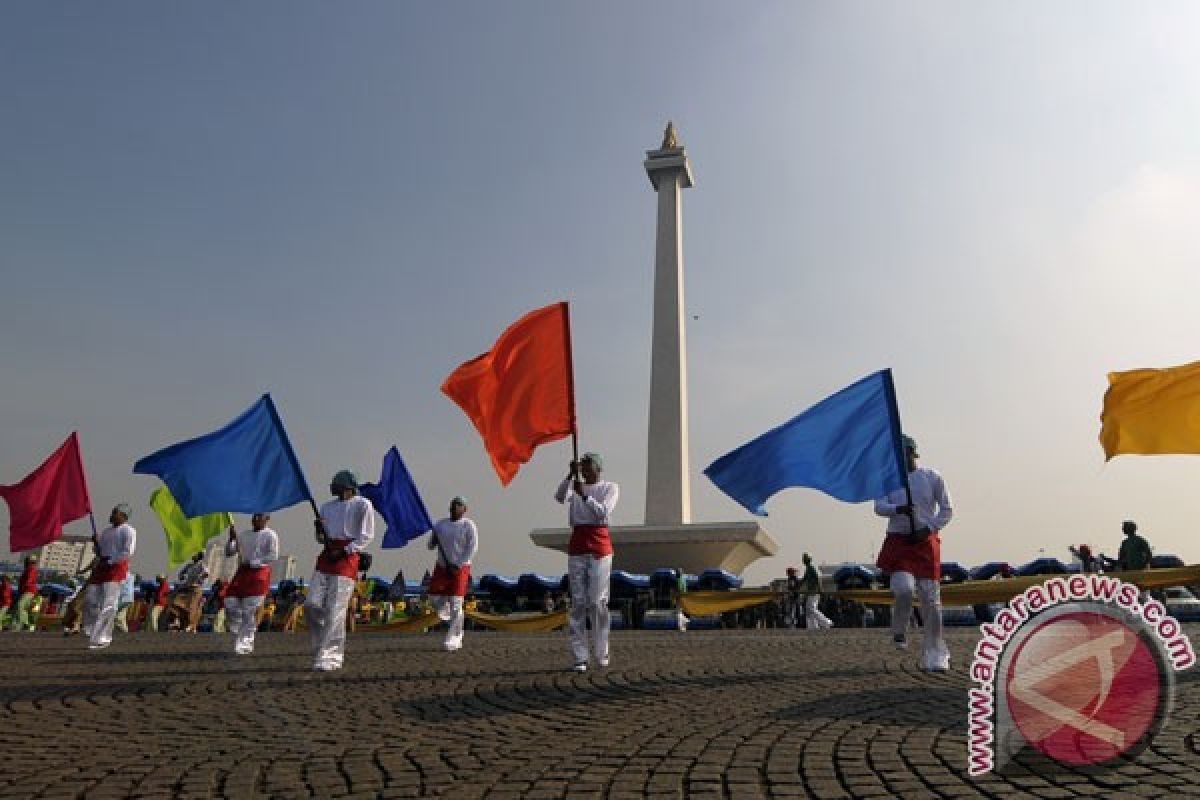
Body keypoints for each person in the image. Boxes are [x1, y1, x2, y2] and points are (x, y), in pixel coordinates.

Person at [874, 435, 953, 672]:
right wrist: (898, 509)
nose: (902, 458)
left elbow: (947, 510)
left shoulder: (932, 477)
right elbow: (878, 507)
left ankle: (936, 654)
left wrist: (928, 528)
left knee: (931, 600)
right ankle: (899, 628)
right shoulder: (888, 480)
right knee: (904, 590)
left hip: (925, 542)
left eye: (905, 453)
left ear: (913, 453)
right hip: (899, 542)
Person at [555, 452, 619, 672]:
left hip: (599, 545)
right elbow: (558, 497)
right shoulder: (575, 486)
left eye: (587, 465)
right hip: (578, 545)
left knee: (597, 601)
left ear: (598, 468)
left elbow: (603, 513)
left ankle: (602, 652)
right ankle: (579, 656)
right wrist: (569, 475)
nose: (584, 469)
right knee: (579, 602)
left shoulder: (610, 488)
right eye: (581, 466)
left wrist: (585, 496)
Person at [305, 470, 375, 671]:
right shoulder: (326, 507)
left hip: (346, 559)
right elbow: (321, 538)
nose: (330, 487)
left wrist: (345, 551)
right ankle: (320, 645)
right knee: (311, 604)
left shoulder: (363, 505)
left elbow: (366, 536)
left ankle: (331, 656)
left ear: (347, 486)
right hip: (327, 556)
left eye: (334, 484)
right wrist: (318, 529)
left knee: (335, 609)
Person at [82, 504, 137, 649]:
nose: (111, 515)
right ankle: (91, 629)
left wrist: (112, 561)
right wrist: (96, 542)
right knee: (90, 599)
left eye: (115, 513)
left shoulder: (129, 530)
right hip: (102, 567)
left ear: (123, 516)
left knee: (109, 603)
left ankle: (103, 637)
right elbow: (99, 551)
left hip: (115, 569)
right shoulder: (106, 532)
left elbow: (128, 552)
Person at [427, 496, 479, 652]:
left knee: (456, 603)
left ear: (465, 509)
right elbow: (430, 545)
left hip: (460, 568)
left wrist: (459, 564)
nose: (455, 507)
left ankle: (454, 639)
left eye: (458, 505)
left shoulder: (468, 525)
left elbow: (472, 548)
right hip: (442, 568)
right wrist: (434, 539)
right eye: (453, 505)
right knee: (434, 598)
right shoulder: (440, 525)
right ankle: (455, 620)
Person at [223, 514, 279, 655]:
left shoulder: (271, 535)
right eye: (254, 517)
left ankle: (245, 644)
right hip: (242, 573)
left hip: (259, 573)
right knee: (230, 603)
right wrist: (231, 539)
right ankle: (237, 633)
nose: (255, 519)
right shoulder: (243, 535)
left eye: (259, 517)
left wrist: (254, 562)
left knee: (250, 610)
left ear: (267, 518)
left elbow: (273, 555)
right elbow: (229, 553)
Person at [169, 552, 210, 633]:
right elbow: (181, 574)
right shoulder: (189, 565)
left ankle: (191, 625)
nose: (193, 556)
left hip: (196, 588)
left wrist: (199, 578)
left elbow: (206, 573)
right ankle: (180, 623)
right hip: (186, 588)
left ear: (199, 556)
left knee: (192, 607)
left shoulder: (201, 565)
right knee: (176, 603)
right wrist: (182, 576)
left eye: (195, 554)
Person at [801, 553, 833, 630]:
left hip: (814, 592)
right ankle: (813, 626)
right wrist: (797, 586)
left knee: (812, 608)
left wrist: (820, 589)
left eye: (805, 559)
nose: (804, 560)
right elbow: (804, 579)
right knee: (809, 609)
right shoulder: (808, 569)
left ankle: (826, 622)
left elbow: (817, 578)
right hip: (810, 592)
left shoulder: (811, 568)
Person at [11, 555, 39, 632]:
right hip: (26, 591)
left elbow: (29, 580)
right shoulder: (28, 569)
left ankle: (22, 624)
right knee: (23, 608)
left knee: (20, 606)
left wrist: (26, 584)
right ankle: (25, 625)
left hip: (29, 591)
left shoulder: (31, 569)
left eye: (27, 561)